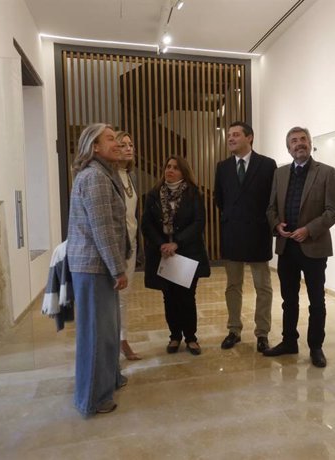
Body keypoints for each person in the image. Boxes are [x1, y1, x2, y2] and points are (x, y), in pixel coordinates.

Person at [263, 126, 335, 368]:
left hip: (314, 246)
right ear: (288, 148)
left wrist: (309, 229)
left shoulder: (326, 172)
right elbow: (271, 208)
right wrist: (277, 225)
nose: (299, 144)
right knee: (289, 300)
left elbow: (333, 211)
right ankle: (289, 341)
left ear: (310, 143)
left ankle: (316, 347)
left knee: (317, 300)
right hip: (287, 246)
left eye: (303, 140)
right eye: (294, 141)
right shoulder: (280, 173)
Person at [67, 123, 131, 416]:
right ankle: (92, 397)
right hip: (95, 267)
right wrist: (119, 269)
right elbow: (103, 229)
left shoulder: (104, 174)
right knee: (96, 334)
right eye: (110, 139)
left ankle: (109, 380)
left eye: (117, 139)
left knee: (107, 330)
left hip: (97, 266)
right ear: (94, 146)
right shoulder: (95, 177)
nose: (118, 143)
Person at [214, 121, 277, 352]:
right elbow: (220, 199)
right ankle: (234, 330)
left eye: (236, 134)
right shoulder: (222, 167)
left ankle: (262, 333)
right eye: (229, 135)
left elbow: (272, 199)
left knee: (263, 286)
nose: (230, 138)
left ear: (249, 137)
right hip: (232, 233)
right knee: (233, 285)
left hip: (258, 232)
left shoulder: (267, 165)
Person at [141, 156, 210, 355]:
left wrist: (176, 242)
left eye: (176, 168)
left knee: (187, 297)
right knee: (169, 297)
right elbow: (147, 224)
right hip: (163, 254)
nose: (170, 170)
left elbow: (198, 223)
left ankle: (191, 337)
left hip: (187, 252)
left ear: (183, 172)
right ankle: (174, 336)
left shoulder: (193, 194)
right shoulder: (154, 195)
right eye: (168, 167)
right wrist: (162, 243)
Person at [115, 131, 141, 361]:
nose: (128, 148)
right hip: (116, 247)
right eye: (122, 144)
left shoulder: (129, 176)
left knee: (125, 296)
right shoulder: (110, 175)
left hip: (130, 245)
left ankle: (122, 339)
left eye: (130, 144)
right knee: (115, 296)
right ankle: (119, 341)